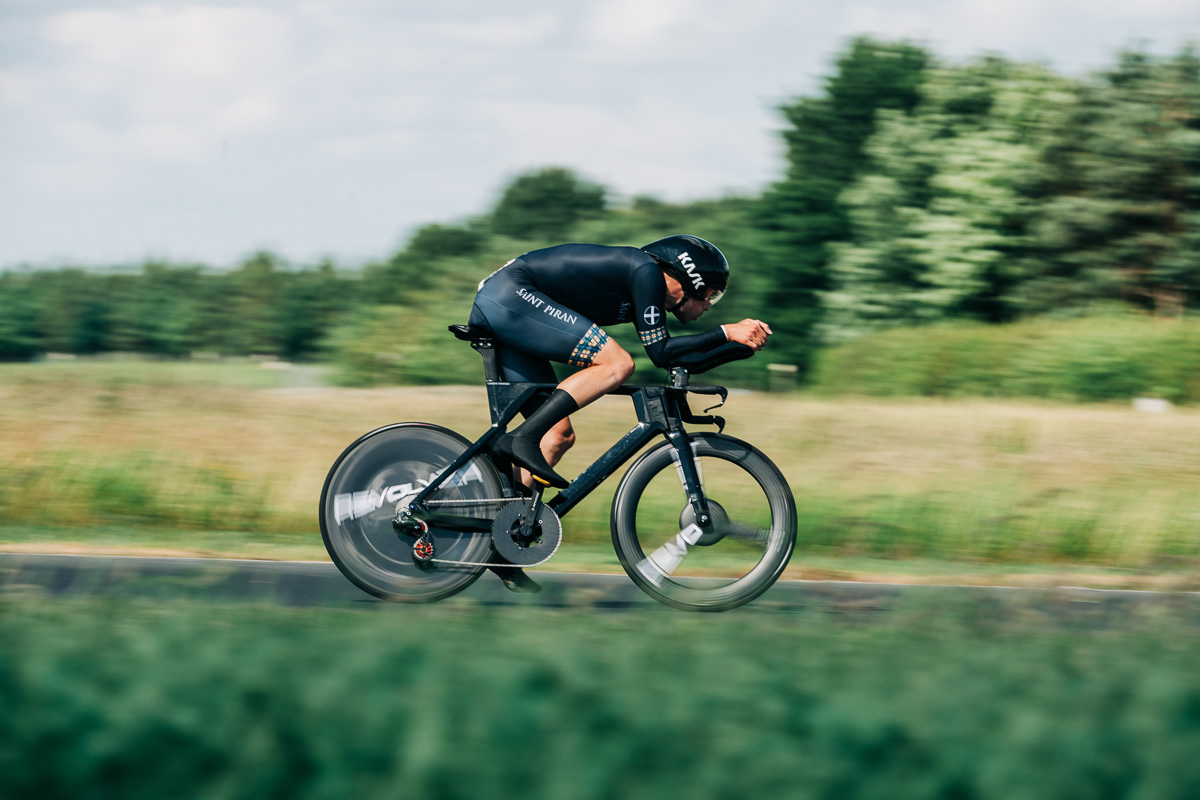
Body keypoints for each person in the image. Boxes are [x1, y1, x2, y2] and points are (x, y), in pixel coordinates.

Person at [468, 235, 772, 491]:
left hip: (511, 308)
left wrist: (736, 347)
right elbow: (662, 352)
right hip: (508, 297)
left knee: (557, 436)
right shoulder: (646, 272)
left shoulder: (643, 283)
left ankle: (504, 521)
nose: (708, 305)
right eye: (710, 295)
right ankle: (521, 437)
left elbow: (668, 357)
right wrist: (726, 332)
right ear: (691, 281)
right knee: (618, 363)